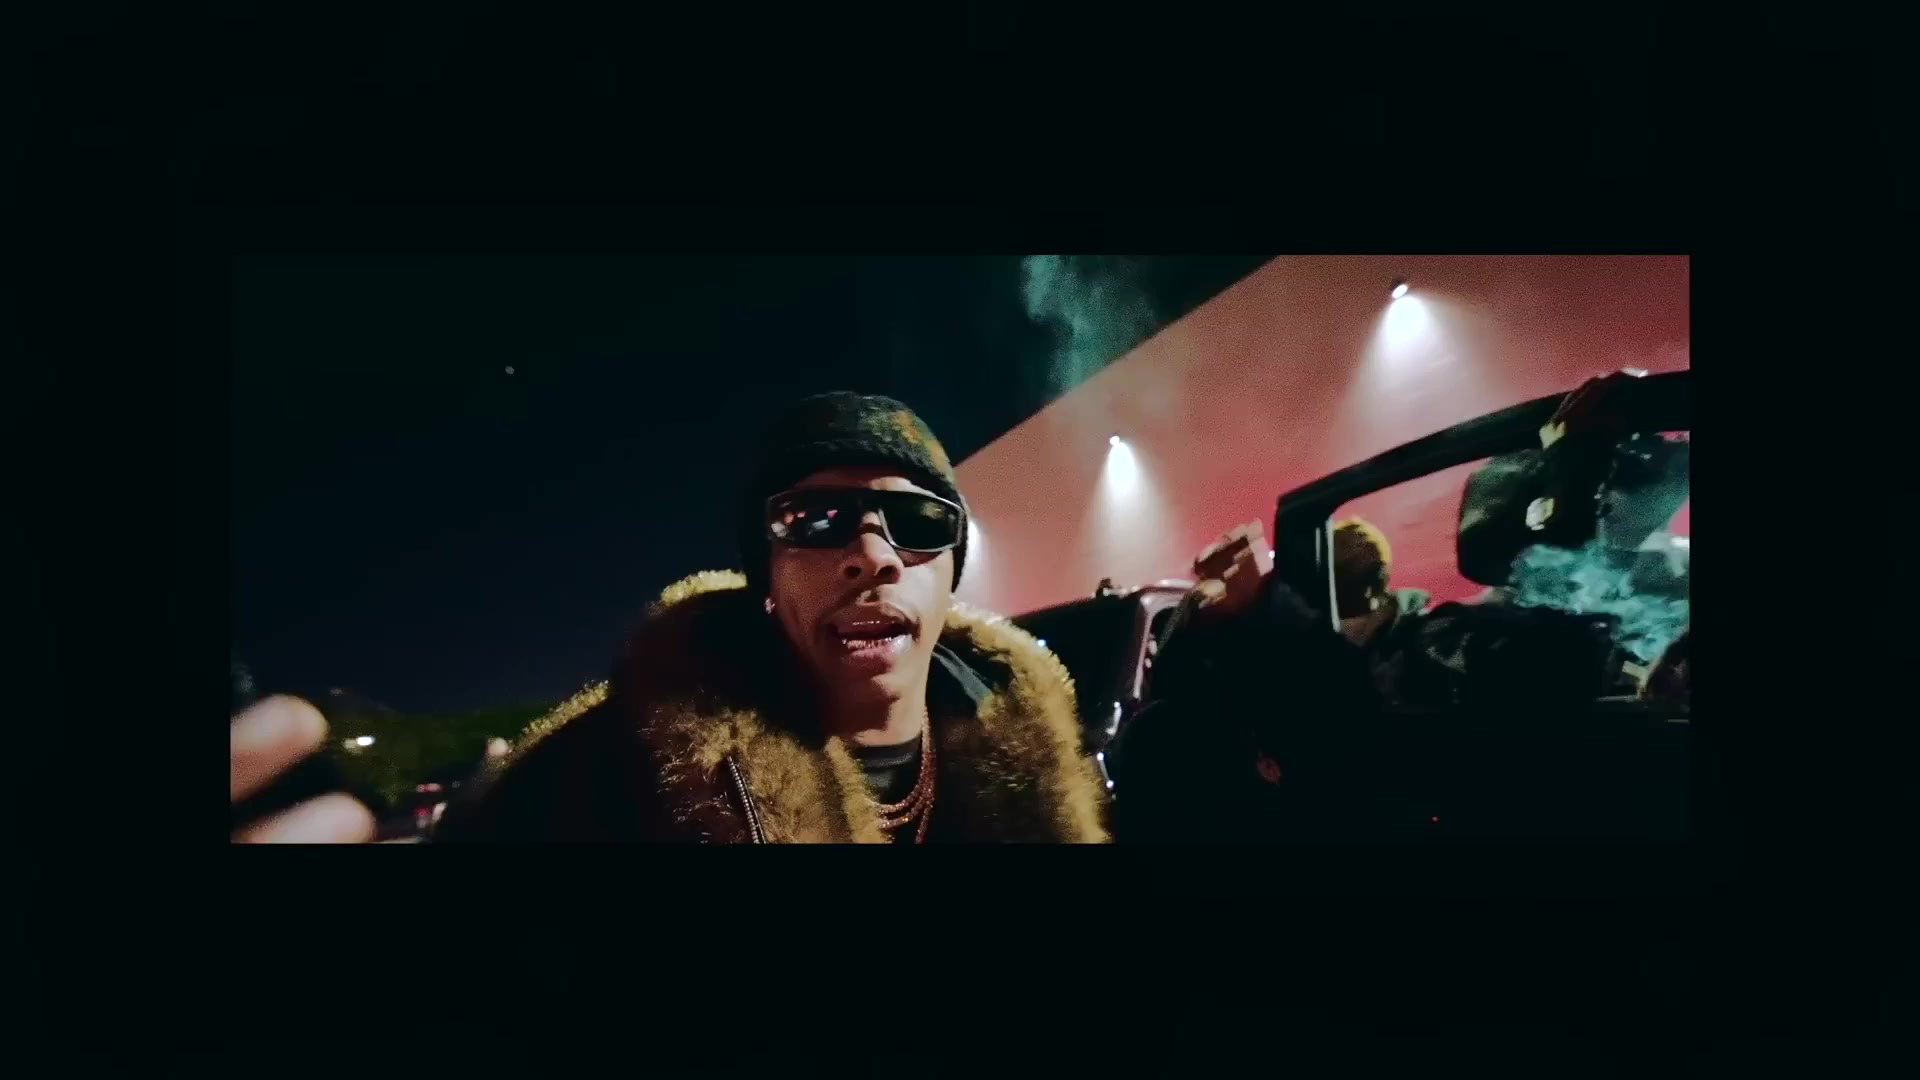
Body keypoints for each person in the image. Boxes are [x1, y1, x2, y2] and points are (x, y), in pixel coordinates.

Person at [232, 392, 1107, 844]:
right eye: (815, 521)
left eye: (917, 522)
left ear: (952, 567)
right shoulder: (601, 783)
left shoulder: (1045, 773)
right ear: (765, 578)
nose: (874, 555)